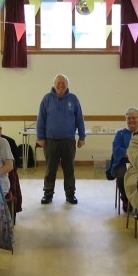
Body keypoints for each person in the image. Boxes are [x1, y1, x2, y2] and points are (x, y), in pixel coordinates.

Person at [36, 73, 86, 204]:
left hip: (68, 140)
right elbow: (41, 119)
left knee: (69, 169)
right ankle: (47, 194)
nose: (61, 85)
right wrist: (40, 137)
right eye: (58, 83)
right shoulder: (47, 99)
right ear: (54, 84)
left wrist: (82, 136)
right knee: (50, 169)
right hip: (50, 141)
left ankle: (70, 194)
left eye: (63, 83)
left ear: (67, 85)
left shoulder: (73, 99)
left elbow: (79, 119)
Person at [108, 106, 138, 180]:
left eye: (134, 118)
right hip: (123, 162)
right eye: (128, 118)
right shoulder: (120, 133)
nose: (131, 120)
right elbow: (117, 151)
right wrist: (135, 154)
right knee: (123, 175)